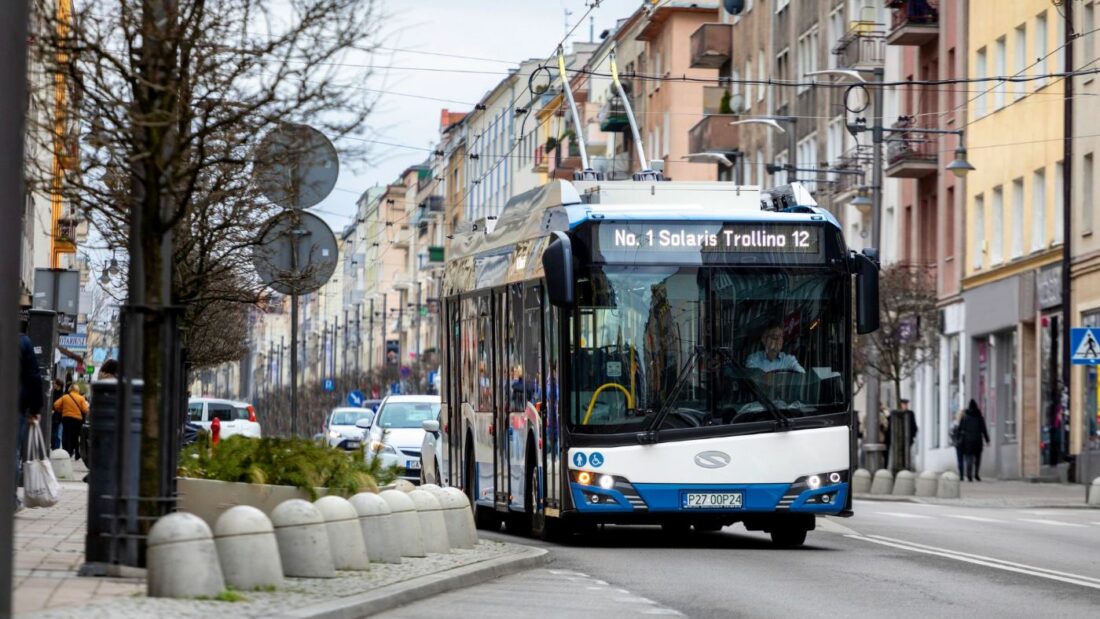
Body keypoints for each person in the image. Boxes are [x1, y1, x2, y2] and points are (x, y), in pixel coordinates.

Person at [18, 334, 44, 510]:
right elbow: (33, 377)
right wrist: (35, 408)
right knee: (10, 451)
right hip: (14, 405)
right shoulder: (22, 341)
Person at [53, 380, 90, 460]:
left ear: (70, 389)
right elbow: (85, 410)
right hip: (77, 420)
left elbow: (56, 405)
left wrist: (61, 410)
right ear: (78, 390)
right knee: (75, 437)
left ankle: (67, 452)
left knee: (66, 435)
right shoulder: (81, 398)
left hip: (66, 418)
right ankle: (77, 453)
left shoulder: (65, 397)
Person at [959, 399, 990, 482]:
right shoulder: (980, 417)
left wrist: (959, 439)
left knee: (969, 457)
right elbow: (984, 429)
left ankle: (969, 475)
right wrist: (987, 440)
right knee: (978, 457)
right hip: (977, 439)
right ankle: (976, 474)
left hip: (968, 440)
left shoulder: (965, 417)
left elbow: (960, 429)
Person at [49, 378, 65, 450]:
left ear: (59, 385)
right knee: (55, 433)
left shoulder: (61, 395)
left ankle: (56, 448)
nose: (53, 385)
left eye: (55, 383)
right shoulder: (54, 393)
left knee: (57, 433)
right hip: (55, 416)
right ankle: (54, 447)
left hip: (58, 416)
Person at [950, 408, 966, 477]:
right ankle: (968, 472)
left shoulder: (955, 423)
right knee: (968, 458)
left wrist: (954, 441)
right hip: (966, 443)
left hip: (958, 443)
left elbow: (950, 432)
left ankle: (961, 474)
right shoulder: (966, 422)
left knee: (960, 459)